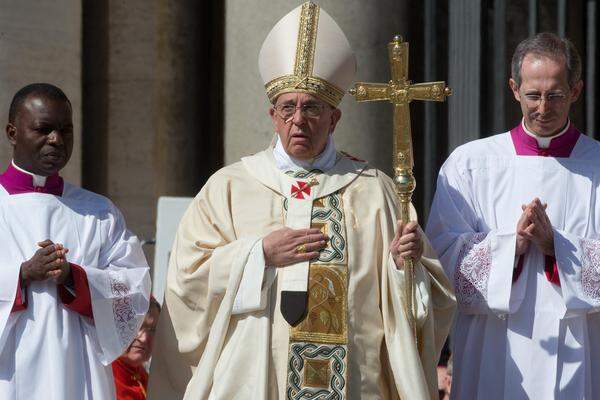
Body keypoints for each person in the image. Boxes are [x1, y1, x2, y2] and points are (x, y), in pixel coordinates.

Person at [148, 2, 455, 399]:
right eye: (288, 108)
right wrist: (257, 254)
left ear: (334, 119)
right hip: (256, 380)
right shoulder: (230, 186)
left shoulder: (373, 190)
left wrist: (403, 267)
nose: (299, 120)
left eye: (312, 107)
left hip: (354, 381)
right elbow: (186, 279)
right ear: (272, 115)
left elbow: (426, 299)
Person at [426, 32, 600, 398]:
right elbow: (438, 260)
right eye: (533, 95)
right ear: (514, 89)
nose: (543, 108)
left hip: (582, 350)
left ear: (576, 91)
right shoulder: (470, 164)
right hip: (493, 347)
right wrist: (512, 246)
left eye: (555, 95)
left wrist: (557, 247)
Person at [0, 83, 151, 399]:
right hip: (10, 375)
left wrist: (75, 278)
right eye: (43, 129)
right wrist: (22, 274)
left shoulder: (98, 212)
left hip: (80, 373)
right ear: (12, 133)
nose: (56, 140)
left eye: (65, 130)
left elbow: (134, 289)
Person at [112, 297, 161, 400]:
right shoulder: (103, 376)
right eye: (136, 326)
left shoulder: (145, 376)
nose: (144, 338)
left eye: (152, 330)